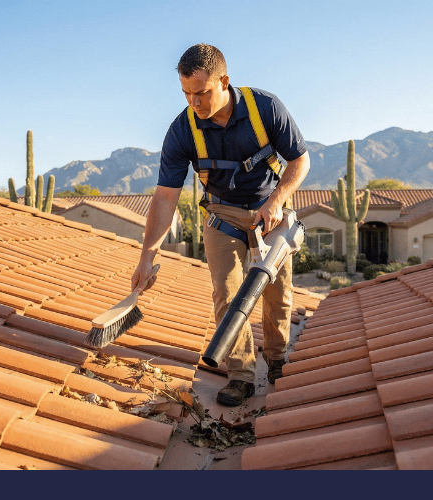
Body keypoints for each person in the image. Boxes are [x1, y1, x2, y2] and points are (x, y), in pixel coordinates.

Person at [131, 43, 310, 406]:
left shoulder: (265, 108)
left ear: (223, 81)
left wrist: (276, 201)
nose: (193, 103)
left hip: (269, 211)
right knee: (227, 296)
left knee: (276, 292)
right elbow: (165, 197)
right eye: (186, 94)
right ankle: (241, 373)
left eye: (201, 93)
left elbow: (300, 162)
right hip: (222, 215)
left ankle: (276, 359)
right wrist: (147, 256)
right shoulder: (182, 131)